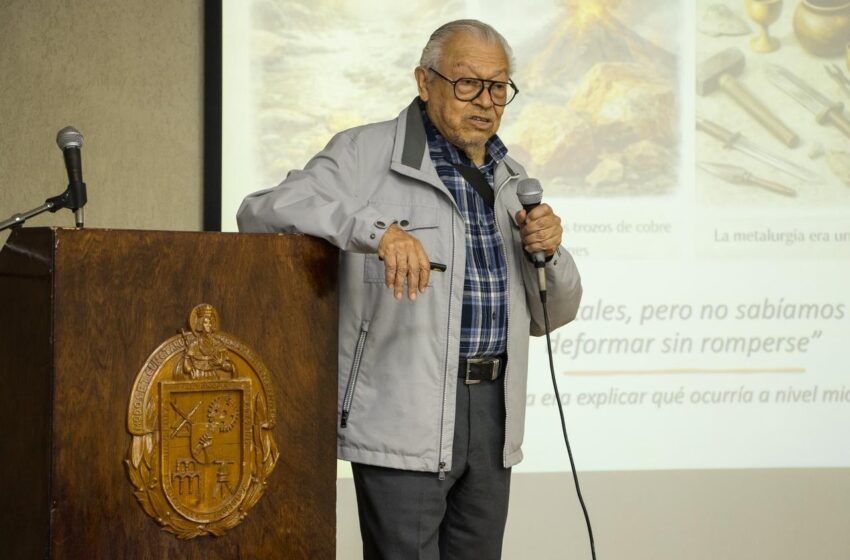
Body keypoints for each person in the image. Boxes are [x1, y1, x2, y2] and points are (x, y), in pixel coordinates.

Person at [237, 19, 582, 560]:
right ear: (425, 82)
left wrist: (550, 253)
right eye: (468, 83)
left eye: (498, 87)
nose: (486, 102)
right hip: (403, 413)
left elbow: (551, 315)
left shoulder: (512, 179)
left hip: (493, 414)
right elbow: (261, 210)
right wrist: (375, 231)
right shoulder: (364, 153)